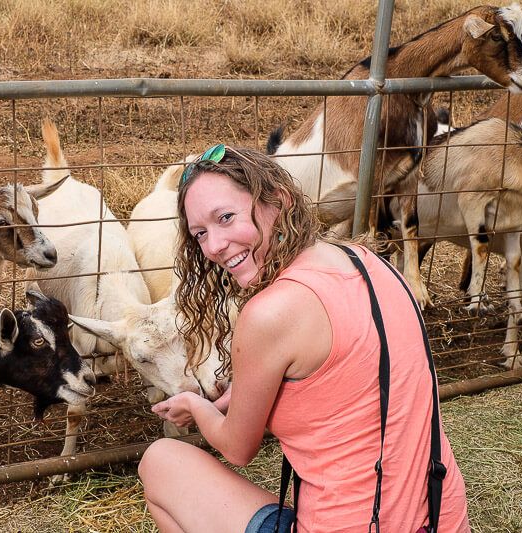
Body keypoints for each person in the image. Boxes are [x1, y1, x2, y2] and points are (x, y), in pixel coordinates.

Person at [137, 145, 470, 533]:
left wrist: (197, 405)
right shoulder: (369, 260)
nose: (212, 247)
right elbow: (350, 381)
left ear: (279, 201)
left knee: (159, 461)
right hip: (441, 518)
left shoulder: (271, 313)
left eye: (226, 217)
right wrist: (237, 395)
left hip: (354, 524)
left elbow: (237, 448)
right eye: (200, 234)